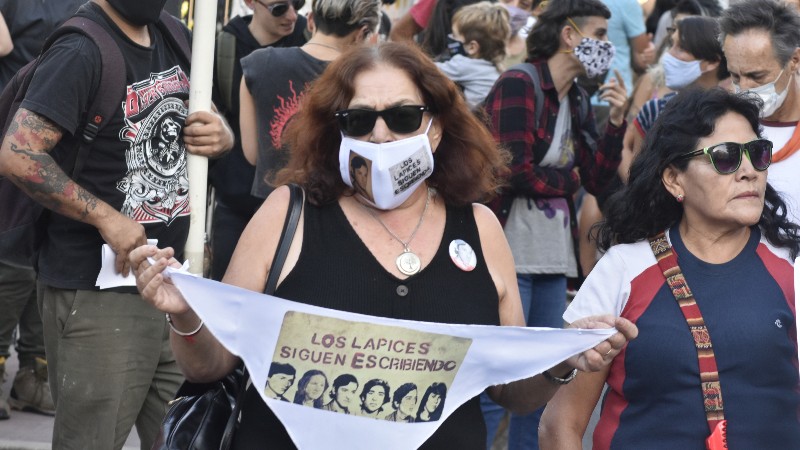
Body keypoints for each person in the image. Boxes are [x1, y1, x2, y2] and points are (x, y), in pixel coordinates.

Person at [129, 41, 637, 449]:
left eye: (402, 116)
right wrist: (184, 315)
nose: (380, 133)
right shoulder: (289, 211)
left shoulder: (480, 228)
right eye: (358, 119)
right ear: (338, 131)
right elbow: (212, 363)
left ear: (435, 128)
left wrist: (562, 357)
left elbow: (510, 392)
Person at [0, 0, 234, 448]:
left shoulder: (172, 32)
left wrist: (220, 134)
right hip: (98, 294)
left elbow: (202, 122)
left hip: (175, 287)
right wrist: (106, 218)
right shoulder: (81, 49)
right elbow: (18, 154)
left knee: (183, 437)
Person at [540, 87, 800, 449]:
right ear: (674, 179)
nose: (748, 172)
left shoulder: (793, 267)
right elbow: (560, 426)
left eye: (758, 154)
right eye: (725, 157)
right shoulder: (623, 269)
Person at [481, 1, 628, 447]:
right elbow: (510, 169)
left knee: (542, 378)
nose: (606, 45)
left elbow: (599, 180)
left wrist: (617, 123)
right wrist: (570, 179)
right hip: (510, 249)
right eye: (599, 34)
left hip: (550, 256)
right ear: (570, 36)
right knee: (499, 376)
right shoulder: (519, 83)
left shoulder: (577, 97)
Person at [0, 0, 86, 421]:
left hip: (64, 148)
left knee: (39, 262)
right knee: (10, 265)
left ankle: (33, 376)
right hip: (14, 137)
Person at [240, 0, 381, 199]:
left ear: (311, 20)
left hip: (274, 210)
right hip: (340, 208)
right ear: (362, 33)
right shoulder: (365, 79)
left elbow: (252, 155)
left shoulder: (257, 64)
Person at [208, 0, 307, 281]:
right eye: (279, 8)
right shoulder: (225, 47)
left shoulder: (310, 36)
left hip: (301, 204)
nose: (291, 15)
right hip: (237, 201)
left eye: (297, 3)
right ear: (250, 3)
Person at [720, 0, 800, 224]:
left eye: (756, 76)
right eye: (735, 76)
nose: (744, 88)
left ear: (794, 61)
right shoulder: (717, 125)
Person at [434, 1, 511, 108]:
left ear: (472, 47)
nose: (450, 37)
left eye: (455, 36)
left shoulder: (464, 64)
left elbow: (427, 70)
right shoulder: (497, 68)